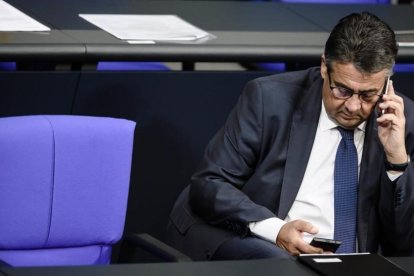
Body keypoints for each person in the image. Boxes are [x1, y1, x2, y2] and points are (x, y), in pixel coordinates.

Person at [167, 12, 414, 260]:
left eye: (367, 95)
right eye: (342, 90)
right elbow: (209, 183)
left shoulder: (400, 120)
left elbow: (403, 239)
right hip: (270, 247)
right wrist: (275, 230)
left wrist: (396, 160)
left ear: (386, 84)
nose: (352, 106)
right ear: (323, 68)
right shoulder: (270, 99)